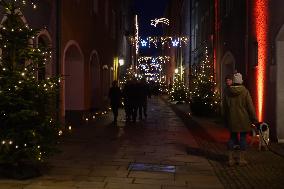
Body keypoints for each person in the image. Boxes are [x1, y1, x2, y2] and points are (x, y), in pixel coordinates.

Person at [223, 73, 258, 166]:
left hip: (232, 119)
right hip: (243, 119)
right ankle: (241, 160)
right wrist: (254, 119)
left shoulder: (227, 92)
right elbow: (250, 107)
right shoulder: (245, 92)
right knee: (243, 139)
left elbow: (224, 107)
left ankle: (230, 159)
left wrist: (225, 119)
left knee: (232, 138)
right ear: (241, 81)